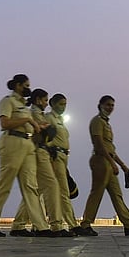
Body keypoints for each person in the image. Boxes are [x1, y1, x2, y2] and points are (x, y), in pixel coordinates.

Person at [0, 74, 53, 237]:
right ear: (17, 85)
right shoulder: (7, 101)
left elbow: (29, 125)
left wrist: (39, 126)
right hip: (12, 142)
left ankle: (41, 227)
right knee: (4, 185)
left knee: (31, 186)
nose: (28, 88)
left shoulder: (24, 106)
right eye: (26, 85)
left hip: (27, 144)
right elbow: (4, 123)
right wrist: (27, 120)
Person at [74, 95, 129, 236]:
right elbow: (99, 143)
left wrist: (123, 166)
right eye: (107, 104)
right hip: (100, 160)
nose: (110, 107)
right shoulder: (97, 121)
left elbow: (111, 149)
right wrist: (112, 163)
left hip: (108, 160)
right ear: (100, 105)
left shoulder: (106, 124)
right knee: (97, 192)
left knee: (117, 195)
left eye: (112, 105)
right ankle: (85, 224)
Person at [10, 89, 71, 236]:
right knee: (52, 185)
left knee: (36, 191)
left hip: (41, 152)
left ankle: (18, 225)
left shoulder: (38, 114)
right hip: (38, 151)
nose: (46, 103)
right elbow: (42, 133)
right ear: (38, 100)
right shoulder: (34, 113)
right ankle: (55, 225)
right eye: (45, 100)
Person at [44, 93, 79, 234]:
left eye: (65, 104)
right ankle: (71, 224)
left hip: (63, 156)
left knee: (41, 191)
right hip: (55, 156)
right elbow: (45, 138)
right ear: (53, 104)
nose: (63, 107)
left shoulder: (60, 120)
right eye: (61, 104)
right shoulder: (49, 118)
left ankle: (22, 223)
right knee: (63, 191)